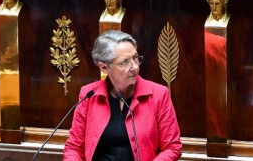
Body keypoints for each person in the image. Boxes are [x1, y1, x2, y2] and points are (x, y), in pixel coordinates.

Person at [63, 30, 182, 161]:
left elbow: (172, 147)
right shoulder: (89, 95)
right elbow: (74, 147)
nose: (134, 67)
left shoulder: (159, 94)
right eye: (124, 62)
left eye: (136, 58)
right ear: (103, 67)